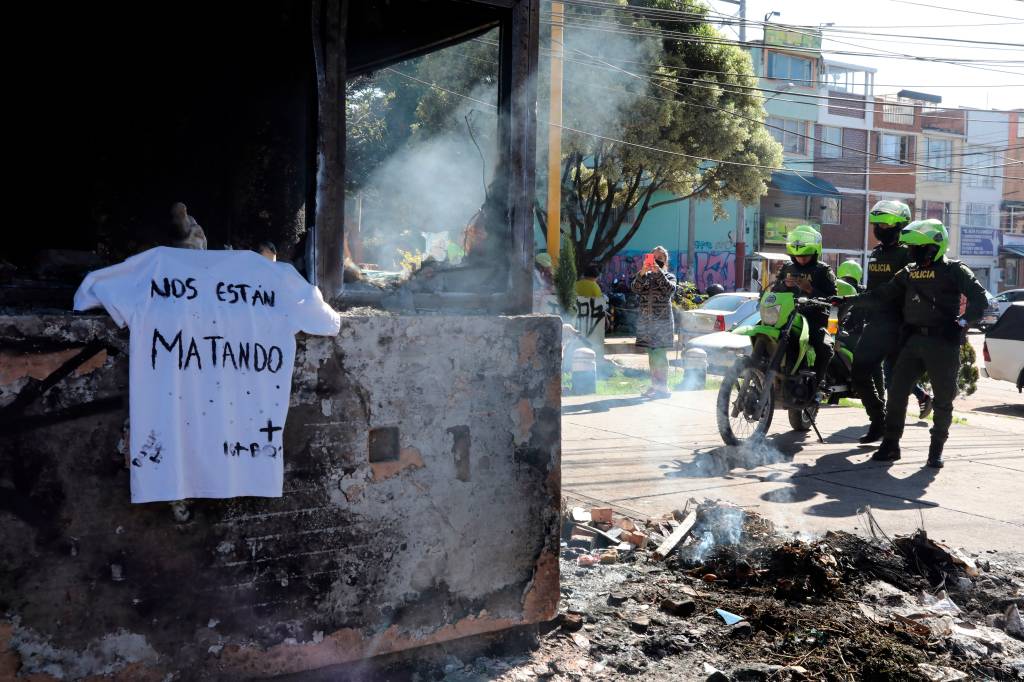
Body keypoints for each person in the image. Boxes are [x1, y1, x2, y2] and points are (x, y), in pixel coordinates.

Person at [836, 219, 988, 468]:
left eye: (919, 248)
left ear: (935, 246)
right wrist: (848, 300)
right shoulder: (909, 271)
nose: (913, 253)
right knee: (896, 393)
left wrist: (961, 324)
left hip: (942, 343)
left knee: (942, 400)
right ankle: (891, 445)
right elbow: (882, 294)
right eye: (912, 248)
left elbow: (980, 301)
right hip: (913, 340)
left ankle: (936, 449)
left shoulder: (954, 270)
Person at [849, 201, 933, 445]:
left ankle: (891, 440)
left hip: (901, 327)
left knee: (898, 387)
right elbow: (874, 289)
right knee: (859, 374)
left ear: (900, 225)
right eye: (876, 224)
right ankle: (878, 421)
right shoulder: (876, 253)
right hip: (876, 324)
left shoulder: (909, 253)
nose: (879, 228)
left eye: (884, 223)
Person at [771, 225, 837, 398]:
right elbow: (773, 291)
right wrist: (784, 285)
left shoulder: (823, 271)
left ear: (815, 253)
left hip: (813, 319)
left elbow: (832, 299)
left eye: (805, 256)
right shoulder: (787, 268)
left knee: (825, 348)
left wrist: (810, 290)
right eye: (797, 256)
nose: (801, 260)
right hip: (785, 317)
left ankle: (816, 387)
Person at [631, 246, 677, 398]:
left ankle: (663, 387)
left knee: (659, 355)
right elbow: (635, 289)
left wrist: (658, 273)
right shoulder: (645, 276)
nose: (657, 260)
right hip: (646, 323)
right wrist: (643, 272)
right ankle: (655, 386)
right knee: (652, 355)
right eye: (654, 257)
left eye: (660, 258)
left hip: (662, 323)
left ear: (665, 261)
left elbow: (669, 290)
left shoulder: (669, 276)